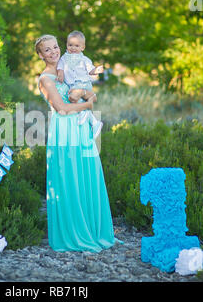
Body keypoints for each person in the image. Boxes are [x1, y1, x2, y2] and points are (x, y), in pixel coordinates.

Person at [35, 34, 120, 252]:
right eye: (47, 50)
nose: (53, 52)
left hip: (82, 130)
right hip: (64, 131)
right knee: (70, 178)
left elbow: (91, 93)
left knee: (87, 174)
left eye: (55, 47)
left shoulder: (69, 68)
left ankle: (93, 230)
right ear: (40, 54)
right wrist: (87, 105)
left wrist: (85, 94)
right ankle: (73, 233)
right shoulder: (46, 79)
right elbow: (62, 108)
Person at [57, 30, 104, 138]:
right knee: (74, 99)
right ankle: (94, 122)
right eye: (70, 45)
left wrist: (96, 70)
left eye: (76, 46)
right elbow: (60, 67)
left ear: (82, 47)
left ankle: (84, 113)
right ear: (66, 45)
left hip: (83, 84)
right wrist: (60, 73)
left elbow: (90, 70)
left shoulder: (84, 59)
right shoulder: (64, 58)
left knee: (73, 97)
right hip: (73, 86)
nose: (73, 48)